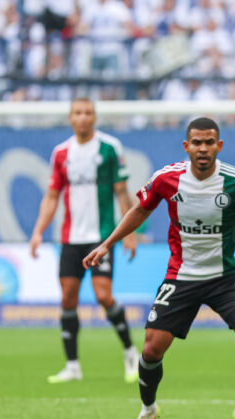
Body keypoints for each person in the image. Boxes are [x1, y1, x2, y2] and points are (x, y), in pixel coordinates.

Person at [83, 117, 235, 419]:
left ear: (219, 145)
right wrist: (108, 243)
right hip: (181, 276)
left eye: (209, 142)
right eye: (197, 143)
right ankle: (147, 411)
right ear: (186, 147)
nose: (203, 148)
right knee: (152, 349)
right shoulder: (166, 179)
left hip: (223, 276)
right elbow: (139, 211)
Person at [30, 97, 138, 384]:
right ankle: (73, 365)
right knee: (67, 298)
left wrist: (128, 234)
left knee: (103, 295)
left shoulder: (109, 148)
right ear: (70, 118)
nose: (83, 117)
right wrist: (38, 231)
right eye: (78, 112)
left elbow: (122, 192)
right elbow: (52, 196)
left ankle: (130, 352)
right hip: (71, 238)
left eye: (88, 112)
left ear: (95, 117)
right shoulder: (61, 153)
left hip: (101, 237)